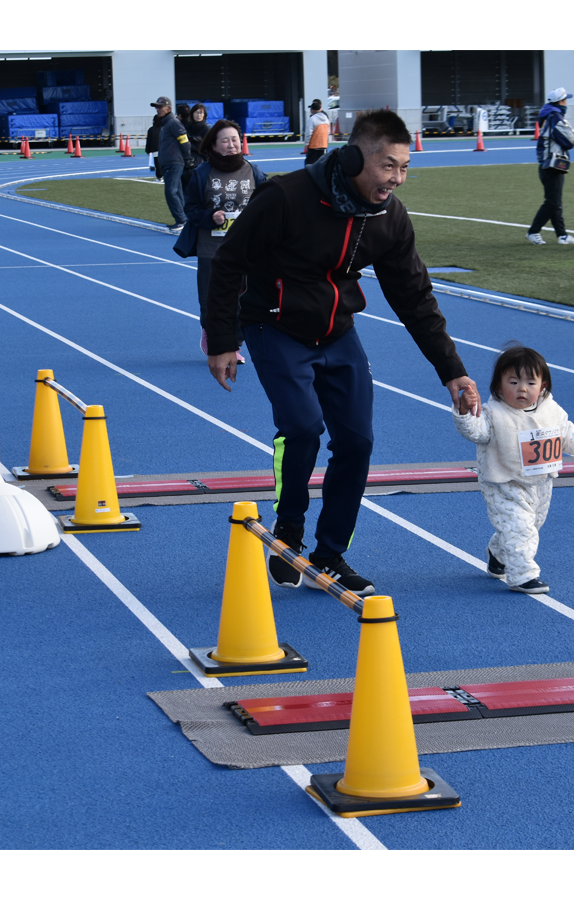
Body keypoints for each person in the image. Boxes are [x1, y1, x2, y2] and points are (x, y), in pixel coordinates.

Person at [204, 109, 480, 597]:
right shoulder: (285, 197)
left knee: (357, 443)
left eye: (404, 168)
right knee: (303, 428)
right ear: (355, 158)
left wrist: (451, 370)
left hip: (337, 333)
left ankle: (329, 555)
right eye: (388, 166)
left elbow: (414, 296)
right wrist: (223, 339)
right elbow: (228, 264)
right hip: (274, 326)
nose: (397, 179)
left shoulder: (389, 217)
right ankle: (288, 531)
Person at [452, 344, 574, 595]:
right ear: (498, 386)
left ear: (543, 387)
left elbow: (566, 432)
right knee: (520, 528)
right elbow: (475, 431)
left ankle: (498, 555)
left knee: (530, 524)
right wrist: (465, 411)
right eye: (514, 382)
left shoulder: (551, 409)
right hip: (503, 483)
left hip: (540, 482)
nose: (522, 389)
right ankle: (522, 575)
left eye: (530, 382)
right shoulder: (493, 413)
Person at [173, 118, 267, 362]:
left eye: (235, 139)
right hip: (211, 248)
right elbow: (190, 208)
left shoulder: (254, 171)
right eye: (225, 140)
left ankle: (234, 344)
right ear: (214, 145)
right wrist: (209, 216)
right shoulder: (202, 173)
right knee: (211, 299)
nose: (231, 144)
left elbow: (269, 204)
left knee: (242, 299)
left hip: (245, 249)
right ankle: (212, 332)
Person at [526, 87, 574, 246]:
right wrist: (573, 132)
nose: (567, 103)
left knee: (555, 201)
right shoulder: (556, 118)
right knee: (553, 202)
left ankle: (562, 235)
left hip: (547, 164)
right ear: (560, 102)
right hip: (552, 165)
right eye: (565, 100)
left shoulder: (548, 116)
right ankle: (533, 231)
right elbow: (571, 140)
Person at [151, 96, 195, 233]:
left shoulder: (173, 123)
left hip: (174, 162)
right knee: (177, 191)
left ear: (168, 108)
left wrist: (188, 160)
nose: (158, 109)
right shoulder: (167, 123)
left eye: (160, 106)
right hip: (171, 162)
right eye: (157, 107)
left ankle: (181, 220)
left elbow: (185, 142)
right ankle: (184, 219)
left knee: (171, 192)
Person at [305, 99, 331, 166]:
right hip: (323, 145)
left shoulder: (312, 119)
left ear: (313, 109)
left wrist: (306, 144)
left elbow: (309, 133)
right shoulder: (326, 118)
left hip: (314, 145)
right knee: (322, 165)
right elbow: (328, 131)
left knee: (310, 164)